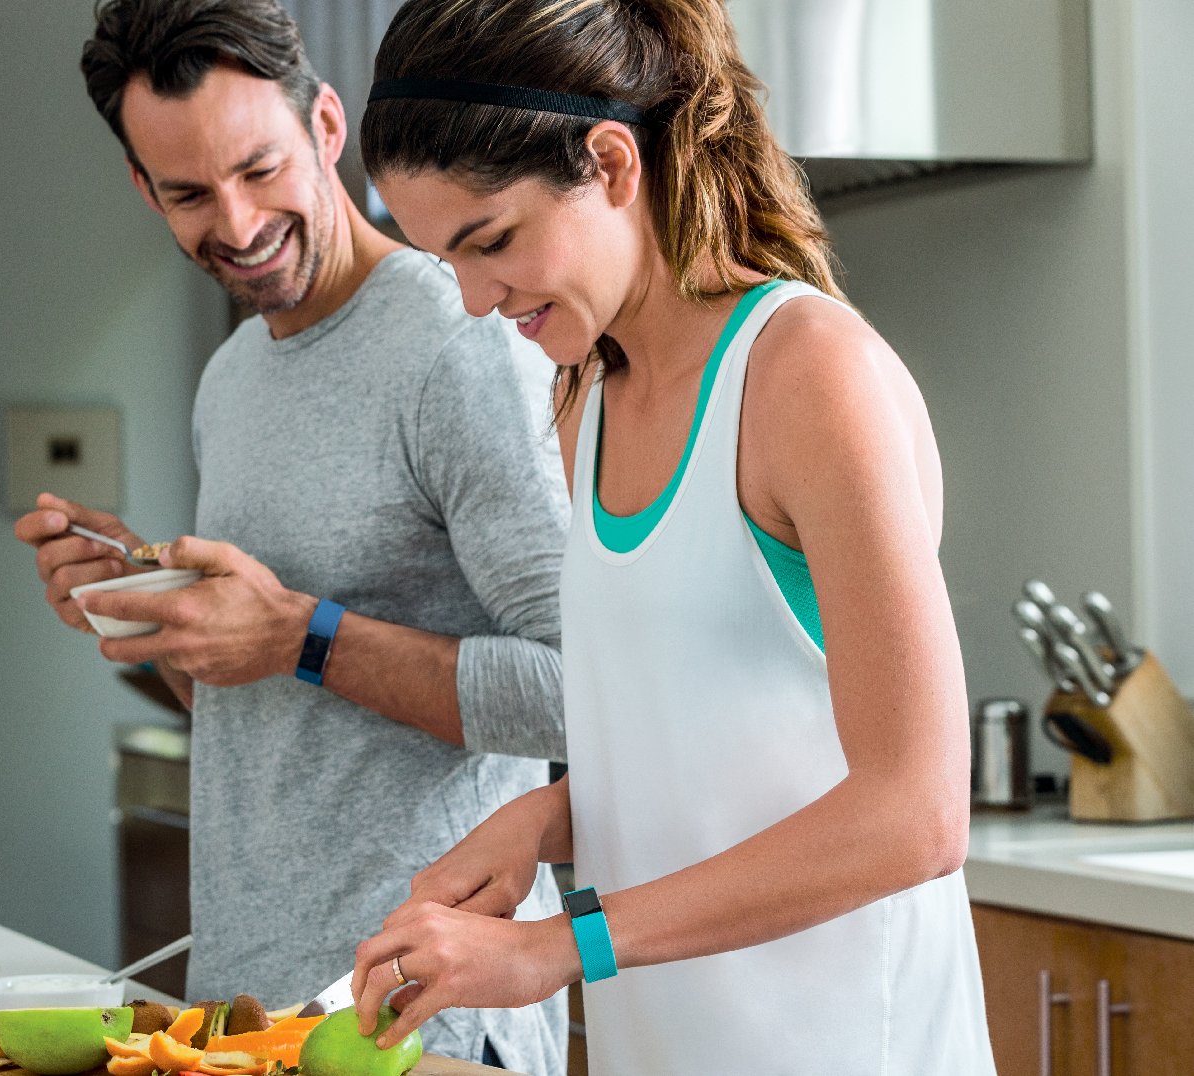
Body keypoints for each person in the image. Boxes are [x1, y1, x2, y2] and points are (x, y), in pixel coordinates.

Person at [348, 1, 997, 1072]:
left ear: (610, 163)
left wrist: (562, 945)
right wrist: (545, 819)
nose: (471, 300)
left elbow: (915, 811)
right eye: (442, 259)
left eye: (492, 241)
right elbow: (700, 751)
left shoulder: (807, 375)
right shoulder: (585, 398)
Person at [13, 1, 570, 1071]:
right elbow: (284, 723)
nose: (235, 221)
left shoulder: (462, 345)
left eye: (259, 167)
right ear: (145, 188)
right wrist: (162, 607)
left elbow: (584, 690)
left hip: (420, 1024)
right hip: (242, 1016)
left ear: (324, 125)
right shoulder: (232, 379)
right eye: (187, 192)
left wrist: (298, 633)